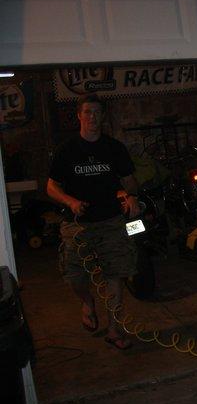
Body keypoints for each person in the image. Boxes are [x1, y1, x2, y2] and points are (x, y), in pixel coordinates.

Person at [47, 94, 140, 350]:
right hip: (77, 224)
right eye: (87, 112)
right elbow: (51, 186)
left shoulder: (114, 148)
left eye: (97, 112)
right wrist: (70, 201)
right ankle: (87, 302)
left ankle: (114, 329)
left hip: (110, 220)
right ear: (79, 115)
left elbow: (129, 180)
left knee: (116, 273)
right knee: (74, 276)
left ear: (103, 116)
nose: (92, 117)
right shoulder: (67, 150)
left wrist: (131, 196)